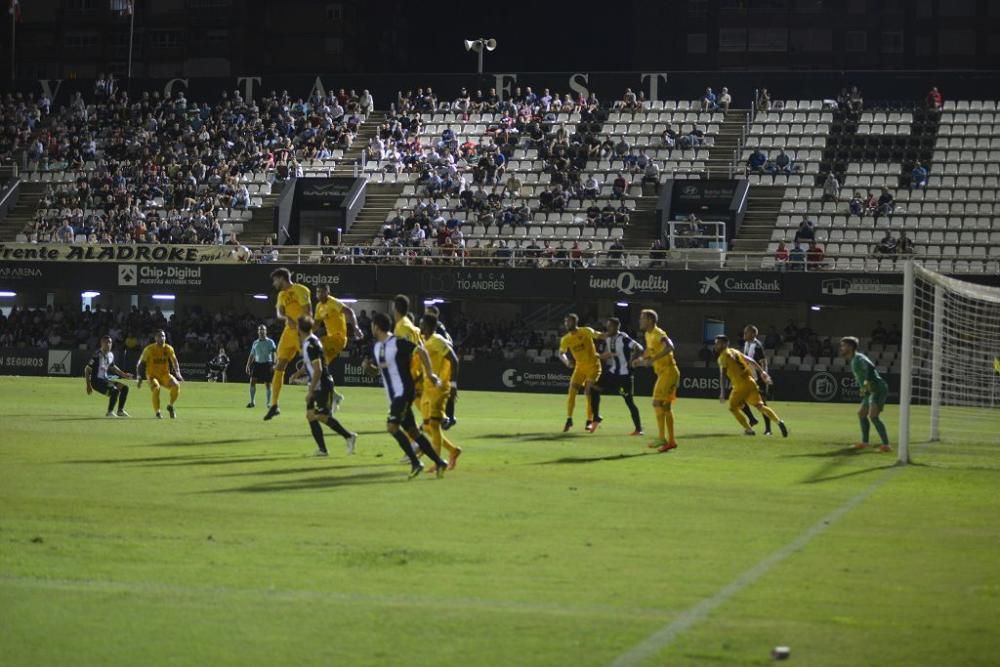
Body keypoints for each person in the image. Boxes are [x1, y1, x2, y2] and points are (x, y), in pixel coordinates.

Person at [365, 312, 449, 479]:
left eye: (372, 325)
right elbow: (377, 372)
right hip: (393, 396)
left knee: (392, 427)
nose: (371, 328)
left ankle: (415, 463)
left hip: (403, 392)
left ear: (376, 326)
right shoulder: (376, 347)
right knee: (413, 432)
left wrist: (430, 373)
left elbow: (421, 351)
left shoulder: (397, 343)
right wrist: (368, 368)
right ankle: (440, 462)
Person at [297, 316, 357, 458]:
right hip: (316, 384)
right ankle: (322, 450)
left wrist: (310, 391)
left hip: (322, 384)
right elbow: (311, 364)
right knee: (311, 416)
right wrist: (298, 373)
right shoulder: (310, 342)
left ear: (299, 329)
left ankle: (349, 436)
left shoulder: (310, 344)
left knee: (321, 416)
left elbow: (318, 369)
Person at [714, 336, 787, 437]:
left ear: (724, 344)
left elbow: (722, 375)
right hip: (750, 381)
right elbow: (751, 360)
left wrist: (722, 392)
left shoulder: (723, 357)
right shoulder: (735, 351)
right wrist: (762, 372)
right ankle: (779, 422)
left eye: (717, 343)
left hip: (740, 385)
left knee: (732, 408)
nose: (715, 345)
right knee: (760, 406)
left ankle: (748, 430)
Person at [264, 268, 312, 421]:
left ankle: (329, 396)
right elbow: (279, 312)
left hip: (302, 332)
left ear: (281, 278)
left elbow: (308, 312)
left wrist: (301, 329)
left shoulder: (300, 289)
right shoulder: (281, 295)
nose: (274, 283)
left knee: (314, 365)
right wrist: (286, 317)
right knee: (279, 367)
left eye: (275, 280)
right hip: (287, 333)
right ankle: (274, 405)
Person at [632, 309, 680, 452]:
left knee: (656, 402)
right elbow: (650, 350)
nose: (640, 321)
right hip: (665, 374)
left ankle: (661, 437)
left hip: (669, 373)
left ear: (650, 320)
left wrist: (653, 359)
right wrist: (641, 359)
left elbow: (670, 347)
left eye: (642, 318)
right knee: (665, 407)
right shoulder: (648, 334)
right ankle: (671, 441)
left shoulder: (659, 334)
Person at [419, 314, 462, 472]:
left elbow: (454, 360)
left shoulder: (437, 340)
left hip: (440, 387)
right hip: (428, 389)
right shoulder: (426, 341)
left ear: (428, 326)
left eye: (422, 324)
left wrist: (453, 384)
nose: (420, 327)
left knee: (434, 425)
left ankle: (438, 463)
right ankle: (452, 450)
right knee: (427, 426)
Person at [590, 317, 644, 436]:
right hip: (613, 373)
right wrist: (600, 356)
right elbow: (612, 353)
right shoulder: (609, 339)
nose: (608, 328)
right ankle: (596, 417)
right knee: (594, 388)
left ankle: (639, 428)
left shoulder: (624, 338)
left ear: (616, 327)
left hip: (624, 375)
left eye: (610, 326)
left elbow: (639, 348)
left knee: (629, 401)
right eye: (607, 326)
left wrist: (632, 360)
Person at [314, 283, 363, 408]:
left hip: (339, 339)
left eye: (322, 291)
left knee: (317, 344)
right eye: (318, 291)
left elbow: (349, 311)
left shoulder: (333, 302)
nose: (319, 294)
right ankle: (335, 396)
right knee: (322, 369)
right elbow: (315, 324)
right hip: (332, 342)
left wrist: (355, 327)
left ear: (328, 292)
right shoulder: (319, 306)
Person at [840, 336, 891, 452]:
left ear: (850, 347)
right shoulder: (854, 359)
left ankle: (886, 445)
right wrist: (864, 389)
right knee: (861, 414)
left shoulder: (858, 359)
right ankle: (865, 442)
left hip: (877, 388)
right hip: (870, 389)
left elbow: (869, 370)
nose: (841, 348)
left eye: (843, 346)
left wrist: (866, 386)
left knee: (873, 416)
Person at [558, 314, 603, 433]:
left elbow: (598, 335)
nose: (567, 324)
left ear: (575, 322)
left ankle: (589, 420)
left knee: (588, 392)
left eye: (569, 321)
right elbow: (561, 353)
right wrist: (567, 362)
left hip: (593, 366)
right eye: (566, 322)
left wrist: (610, 335)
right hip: (579, 368)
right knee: (572, 391)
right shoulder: (566, 339)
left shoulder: (585, 331)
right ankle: (569, 419)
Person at [425, 303, 459, 429]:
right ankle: (448, 417)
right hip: (443, 360)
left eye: (427, 313)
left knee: (443, 389)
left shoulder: (438, 328)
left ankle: (445, 417)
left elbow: (447, 345)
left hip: (443, 361)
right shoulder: (440, 328)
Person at [136, 329, 183, 419]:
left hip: (164, 375)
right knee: (156, 389)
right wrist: (139, 376)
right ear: (155, 338)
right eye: (159, 336)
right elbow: (141, 364)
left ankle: (170, 406)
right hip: (152, 375)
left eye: (163, 336)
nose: (162, 338)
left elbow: (174, 360)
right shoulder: (149, 349)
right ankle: (158, 412)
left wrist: (178, 373)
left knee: (176, 385)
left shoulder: (168, 348)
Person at [84, 335, 134, 417]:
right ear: (101, 343)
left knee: (125, 388)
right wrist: (88, 385)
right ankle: (110, 412)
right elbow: (87, 369)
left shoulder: (110, 355)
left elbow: (113, 368)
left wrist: (124, 375)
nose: (108, 344)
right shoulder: (97, 355)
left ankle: (120, 411)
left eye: (110, 342)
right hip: (96, 382)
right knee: (115, 391)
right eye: (106, 342)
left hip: (105, 380)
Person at [739, 325, 772, 435]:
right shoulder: (746, 344)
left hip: (758, 379)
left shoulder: (757, 346)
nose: (744, 334)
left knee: (761, 404)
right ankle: (752, 419)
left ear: (753, 334)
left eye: (746, 332)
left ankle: (768, 429)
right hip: (749, 377)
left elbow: (763, 362)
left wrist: (764, 375)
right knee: (739, 400)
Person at [245, 325, 276, 408]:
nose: (262, 331)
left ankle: (268, 403)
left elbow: (273, 354)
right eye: (260, 330)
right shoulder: (255, 342)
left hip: (267, 364)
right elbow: (252, 355)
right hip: (257, 364)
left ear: (266, 331)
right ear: (258, 332)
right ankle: (252, 402)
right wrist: (248, 365)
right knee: (252, 382)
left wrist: (273, 364)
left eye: (263, 330)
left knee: (268, 384)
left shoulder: (270, 342)